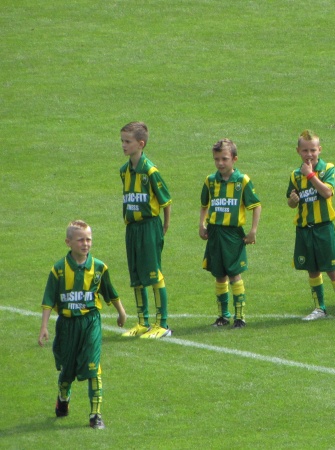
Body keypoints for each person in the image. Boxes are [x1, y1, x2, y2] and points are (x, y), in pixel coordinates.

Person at [39, 220, 127, 429]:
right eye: (81, 240)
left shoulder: (99, 267)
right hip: (67, 326)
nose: (85, 244)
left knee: (93, 368)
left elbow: (110, 292)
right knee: (67, 371)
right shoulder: (59, 270)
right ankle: (63, 397)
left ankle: (95, 415)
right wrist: (44, 327)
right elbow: (49, 300)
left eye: (89, 239)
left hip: (91, 324)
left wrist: (121, 312)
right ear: (68, 242)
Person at [287, 130, 335, 320]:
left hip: (323, 227)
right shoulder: (295, 175)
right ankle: (319, 308)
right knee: (312, 269)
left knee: (332, 268)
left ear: (319, 150)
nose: (309, 154)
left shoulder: (327, 169)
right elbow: (291, 203)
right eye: (305, 150)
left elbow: (327, 193)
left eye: (313, 150)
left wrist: (310, 176)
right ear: (298, 151)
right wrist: (293, 200)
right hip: (304, 229)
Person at [199, 139, 262, 328]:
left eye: (224, 159)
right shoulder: (210, 181)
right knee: (219, 275)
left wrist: (253, 231)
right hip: (214, 233)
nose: (220, 163)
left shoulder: (242, 181)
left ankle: (240, 316)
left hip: (233, 235)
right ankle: (223, 316)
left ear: (234, 159)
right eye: (217, 159)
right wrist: (201, 224)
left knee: (235, 274)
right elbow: (204, 205)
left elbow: (256, 206)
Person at [119, 121, 173, 338]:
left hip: (149, 227)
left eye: (127, 141)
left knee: (154, 274)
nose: (123, 145)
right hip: (132, 229)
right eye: (122, 141)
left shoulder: (150, 171)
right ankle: (143, 322)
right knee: (137, 275)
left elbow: (166, 201)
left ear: (140, 144)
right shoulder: (124, 171)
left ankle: (163, 324)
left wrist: (164, 226)